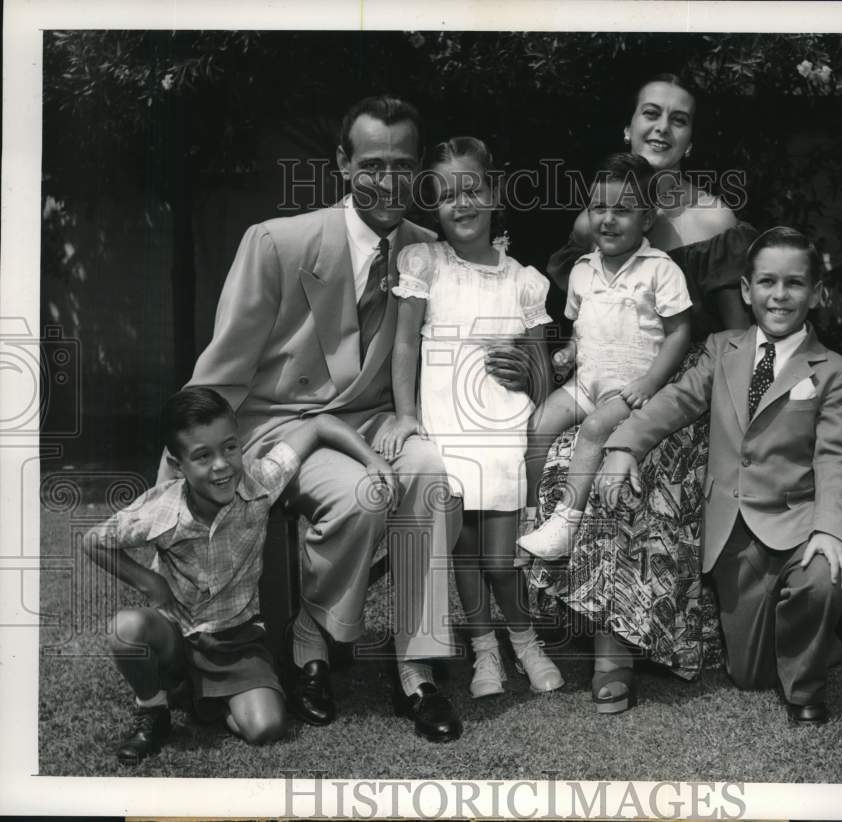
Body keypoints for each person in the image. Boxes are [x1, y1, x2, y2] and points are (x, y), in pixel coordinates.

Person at [160, 96, 533, 742]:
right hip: (282, 426)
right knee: (362, 497)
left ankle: (415, 667)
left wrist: (522, 369)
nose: (389, 181)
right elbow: (220, 374)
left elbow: (477, 325)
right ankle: (312, 646)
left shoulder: (429, 250)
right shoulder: (278, 243)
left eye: (403, 165)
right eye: (372, 164)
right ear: (341, 164)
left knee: (432, 478)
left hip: (379, 421)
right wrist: (172, 483)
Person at [527, 73, 758, 706]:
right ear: (627, 129)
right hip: (605, 380)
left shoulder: (713, 218)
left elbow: (734, 340)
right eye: (649, 114)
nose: (662, 127)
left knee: (624, 466)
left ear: (690, 140)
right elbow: (579, 313)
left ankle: (614, 653)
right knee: (550, 443)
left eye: (678, 120)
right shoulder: (595, 221)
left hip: (687, 394)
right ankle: (543, 602)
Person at [596, 226, 842, 724]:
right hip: (733, 535)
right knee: (750, 675)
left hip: (797, 524)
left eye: (795, 283)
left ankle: (807, 687)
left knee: (820, 581)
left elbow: (836, 457)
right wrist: (623, 444)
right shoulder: (721, 349)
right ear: (746, 290)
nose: (779, 295)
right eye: (766, 282)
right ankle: (825, 627)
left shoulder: (836, 372)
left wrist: (828, 527)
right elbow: (675, 402)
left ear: (817, 294)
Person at [86, 387, 398, 764]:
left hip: (236, 639)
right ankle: (153, 709)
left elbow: (318, 426)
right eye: (202, 456)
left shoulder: (260, 482)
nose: (221, 465)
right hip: (177, 633)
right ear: (177, 463)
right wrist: (147, 580)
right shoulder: (160, 508)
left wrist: (371, 460)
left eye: (230, 448)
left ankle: (204, 696)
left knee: (266, 728)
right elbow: (94, 541)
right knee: (126, 629)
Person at [376, 137, 564, 698]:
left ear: (495, 193)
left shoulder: (524, 280)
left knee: (501, 560)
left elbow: (540, 370)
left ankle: (525, 640)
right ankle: (484, 650)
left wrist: (528, 381)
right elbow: (404, 346)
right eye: (447, 194)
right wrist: (407, 414)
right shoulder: (424, 265)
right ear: (433, 205)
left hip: (503, 433)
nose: (462, 204)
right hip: (446, 432)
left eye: (473, 189)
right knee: (462, 551)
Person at [517, 153, 692, 560]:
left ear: (647, 219)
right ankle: (529, 516)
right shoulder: (581, 270)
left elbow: (679, 332)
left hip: (627, 389)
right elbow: (584, 330)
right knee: (538, 423)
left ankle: (565, 523)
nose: (608, 219)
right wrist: (569, 352)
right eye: (599, 208)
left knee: (595, 428)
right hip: (586, 381)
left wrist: (650, 383)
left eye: (623, 210)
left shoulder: (660, 270)